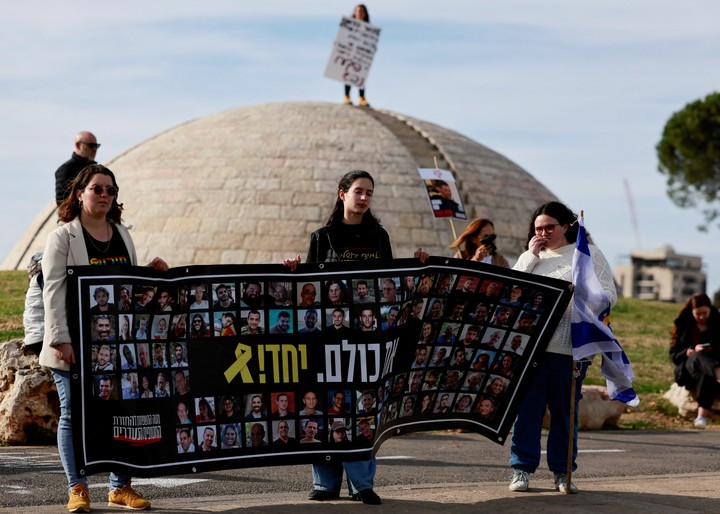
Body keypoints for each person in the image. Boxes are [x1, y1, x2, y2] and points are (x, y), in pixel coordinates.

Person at [282, 170, 427, 506]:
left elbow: (392, 288)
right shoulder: (322, 237)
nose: (364, 198)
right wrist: (293, 269)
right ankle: (325, 483)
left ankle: (362, 484)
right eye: (359, 191)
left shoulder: (379, 237)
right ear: (342, 194)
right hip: (328, 341)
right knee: (325, 408)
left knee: (363, 409)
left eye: (369, 193)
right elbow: (311, 288)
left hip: (368, 342)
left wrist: (417, 266)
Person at [40, 164, 167, 511]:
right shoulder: (62, 237)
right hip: (73, 346)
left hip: (113, 347)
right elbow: (52, 292)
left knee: (119, 413)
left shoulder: (122, 235)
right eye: (97, 189)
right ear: (80, 193)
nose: (105, 195)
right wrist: (60, 339)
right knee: (71, 415)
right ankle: (77, 488)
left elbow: (128, 287)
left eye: (111, 190)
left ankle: (119, 487)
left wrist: (152, 275)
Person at [508, 201, 616, 495]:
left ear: (565, 226)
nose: (543, 233)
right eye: (538, 228)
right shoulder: (531, 257)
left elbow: (609, 295)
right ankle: (521, 469)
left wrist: (583, 291)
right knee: (527, 412)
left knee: (564, 413)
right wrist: (530, 256)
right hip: (531, 348)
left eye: (549, 227)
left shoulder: (588, 254)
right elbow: (512, 291)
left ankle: (562, 471)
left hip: (571, 348)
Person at [669, 293, 720, 427]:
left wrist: (712, 348)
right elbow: (673, 355)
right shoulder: (683, 325)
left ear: (710, 309)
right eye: (698, 314)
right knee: (698, 356)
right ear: (691, 312)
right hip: (687, 369)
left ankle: (701, 417)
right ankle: (718, 372)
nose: (702, 317)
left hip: (709, 369)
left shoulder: (718, 323)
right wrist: (687, 352)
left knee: (705, 374)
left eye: (705, 313)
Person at [54, 131, 99, 206]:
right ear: (78, 145)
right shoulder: (65, 170)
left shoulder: (96, 169)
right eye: (91, 145)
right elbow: (63, 203)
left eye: (96, 146)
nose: (94, 149)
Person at [342, 4, 371, 107]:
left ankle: (362, 97)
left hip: (362, 55)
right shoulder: (349, 26)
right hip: (350, 53)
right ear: (354, 13)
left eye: (361, 11)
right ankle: (347, 96)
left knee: (361, 75)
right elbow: (343, 39)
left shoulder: (369, 29)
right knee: (348, 74)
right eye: (357, 11)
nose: (359, 13)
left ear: (365, 14)